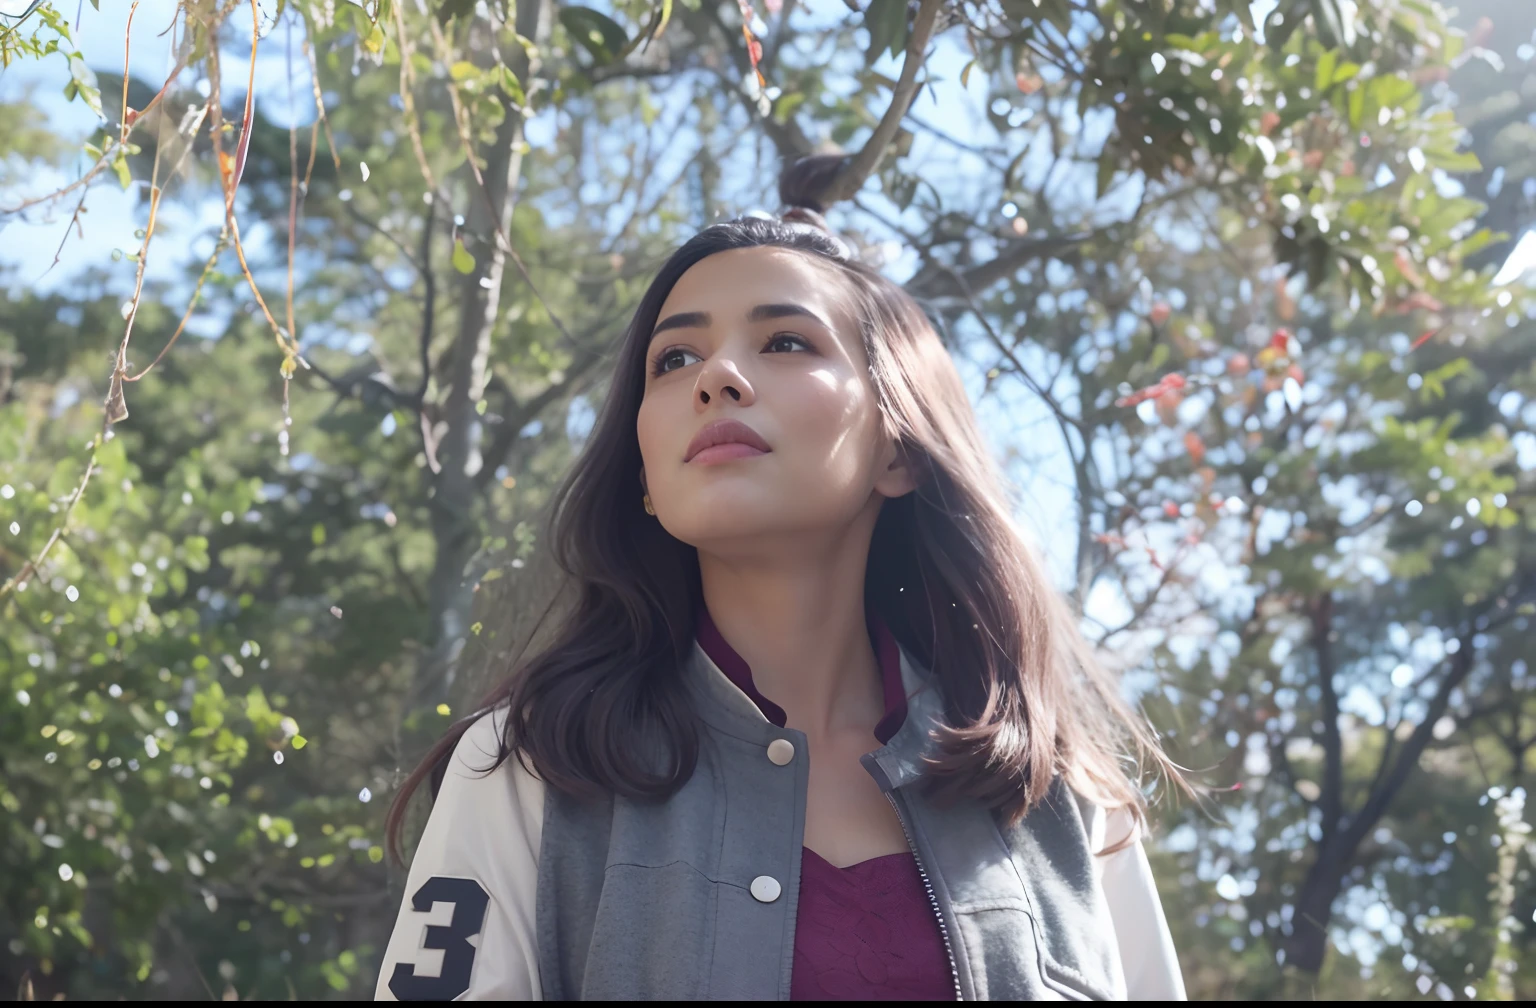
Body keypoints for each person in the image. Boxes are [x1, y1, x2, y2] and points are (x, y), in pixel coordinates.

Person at [375, 157, 1187, 1001]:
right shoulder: (530, 766)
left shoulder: (1063, 799)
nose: (717, 377)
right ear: (647, 478)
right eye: (674, 357)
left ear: (900, 448)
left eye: (786, 341)